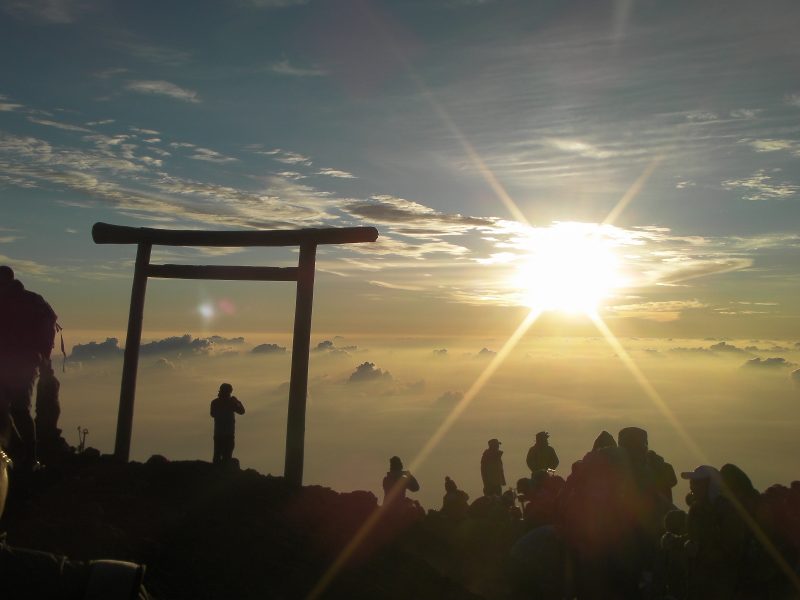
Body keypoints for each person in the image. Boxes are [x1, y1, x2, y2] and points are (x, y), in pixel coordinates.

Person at [0, 266, 58, 472]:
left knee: (16, 408)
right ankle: (22, 455)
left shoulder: (22, 301)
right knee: (17, 408)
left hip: (19, 362)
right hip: (24, 361)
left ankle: (23, 455)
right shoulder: (34, 301)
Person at [209, 383, 245, 465]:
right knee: (227, 457)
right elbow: (242, 411)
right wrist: (237, 402)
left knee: (217, 456)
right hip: (228, 434)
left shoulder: (215, 402)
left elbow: (212, 414)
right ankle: (224, 474)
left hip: (219, 433)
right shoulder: (231, 403)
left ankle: (217, 474)